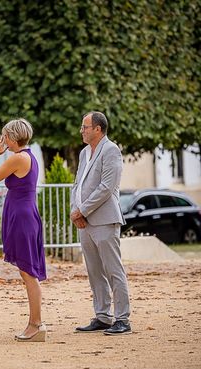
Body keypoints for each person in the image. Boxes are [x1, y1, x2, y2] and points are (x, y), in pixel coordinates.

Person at [0, 119, 47, 342]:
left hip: (22, 217)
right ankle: (35, 324)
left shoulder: (19, 157)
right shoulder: (28, 156)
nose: (4, 142)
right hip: (23, 214)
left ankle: (36, 324)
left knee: (28, 272)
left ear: (11, 137)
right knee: (26, 271)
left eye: (5, 137)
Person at [71, 112, 131, 335]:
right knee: (94, 271)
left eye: (85, 127)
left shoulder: (111, 150)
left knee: (113, 270)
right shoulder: (85, 152)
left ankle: (123, 319)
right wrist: (74, 211)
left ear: (98, 129)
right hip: (84, 223)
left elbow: (107, 187)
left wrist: (82, 211)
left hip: (105, 219)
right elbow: (77, 184)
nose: (82, 130)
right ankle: (103, 316)